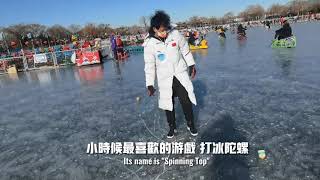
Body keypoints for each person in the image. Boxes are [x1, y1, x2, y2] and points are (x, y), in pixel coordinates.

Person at [143, 10, 198, 138]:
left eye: (166, 29)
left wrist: (191, 64)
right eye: (161, 30)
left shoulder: (175, 35)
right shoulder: (149, 44)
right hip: (164, 78)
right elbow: (149, 65)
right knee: (168, 104)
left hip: (179, 74)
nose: (164, 32)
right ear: (154, 29)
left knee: (186, 101)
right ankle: (172, 126)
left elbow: (185, 50)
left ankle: (191, 123)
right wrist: (150, 84)